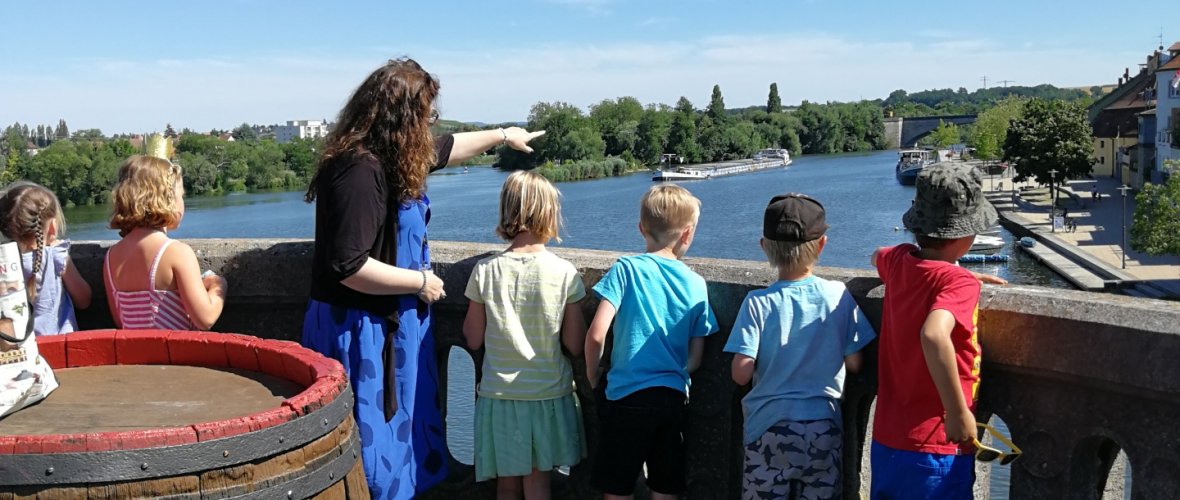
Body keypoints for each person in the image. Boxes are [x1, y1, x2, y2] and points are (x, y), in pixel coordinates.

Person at [301, 57, 545, 499]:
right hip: (364, 332)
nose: (429, 123)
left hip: (392, 326)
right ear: (402, 117)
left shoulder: (391, 158)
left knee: (403, 444)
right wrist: (419, 283)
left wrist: (506, 135)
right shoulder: (361, 171)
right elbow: (349, 266)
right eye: (425, 113)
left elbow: (447, 147)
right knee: (373, 457)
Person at [724, 194, 876, 500]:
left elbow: (741, 374)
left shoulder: (757, 303)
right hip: (822, 427)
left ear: (764, 247)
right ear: (822, 245)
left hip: (767, 429)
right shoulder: (838, 296)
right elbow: (857, 363)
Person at [869, 164, 997, 499]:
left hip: (887, 439)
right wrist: (956, 413)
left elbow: (876, 257)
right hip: (935, 443)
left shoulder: (898, 261)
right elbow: (934, 334)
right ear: (967, 235)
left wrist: (951, 276)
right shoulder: (958, 282)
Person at [584, 184, 718, 500]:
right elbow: (695, 359)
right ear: (687, 235)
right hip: (671, 400)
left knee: (616, 488)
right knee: (665, 488)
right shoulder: (696, 284)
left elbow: (596, 334)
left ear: (641, 228)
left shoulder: (626, 269)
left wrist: (593, 376)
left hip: (624, 398)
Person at [462, 171, 588, 500]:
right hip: (546, 394)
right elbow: (575, 344)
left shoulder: (485, 271)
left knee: (506, 484)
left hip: (499, 397)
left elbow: (472, 338)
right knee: (538, 483)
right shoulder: (564, 273)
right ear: (549, 214)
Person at [104, 155, 227, 331]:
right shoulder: (177, 253)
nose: (183, 202)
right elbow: (205, 318)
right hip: (173, 356)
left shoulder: (111, 257)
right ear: (166, 199)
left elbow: (120, 320)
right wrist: (218, 286)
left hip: (135, 356)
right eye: (181, 196)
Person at [0, 181, 91, 335]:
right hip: (62, 346)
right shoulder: (55, 255)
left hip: (19, 352)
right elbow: (84, 300)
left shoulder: (4, 263)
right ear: (53, 227)